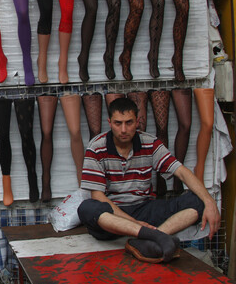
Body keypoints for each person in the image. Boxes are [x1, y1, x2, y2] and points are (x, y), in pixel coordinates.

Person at [78, 97, 221, 264]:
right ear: (109, 122)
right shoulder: (96, 147)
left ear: (138, 121)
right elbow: (98, 196)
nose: (123, 129)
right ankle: (154, 236)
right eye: (118, 123)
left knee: (199, 201)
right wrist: (135, 224)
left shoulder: (150, 143)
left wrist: (210, 202)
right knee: (87, 208)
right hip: (112, 215)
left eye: (129, 122)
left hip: (144, 208)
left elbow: (181, 172)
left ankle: (145, 242)